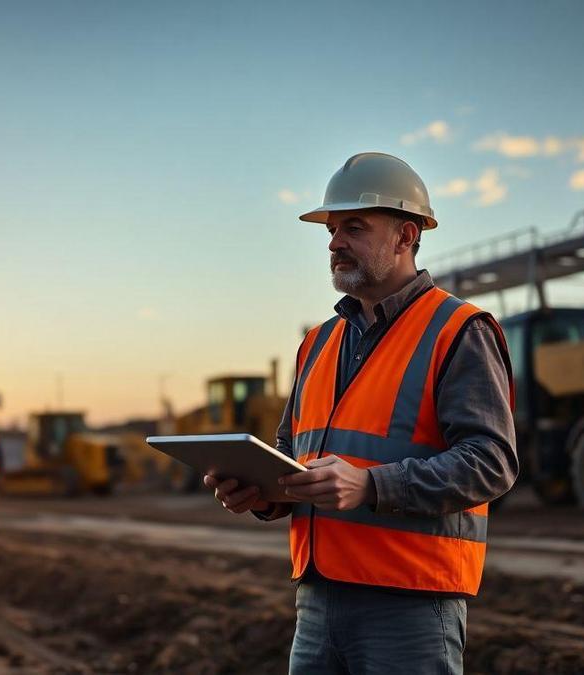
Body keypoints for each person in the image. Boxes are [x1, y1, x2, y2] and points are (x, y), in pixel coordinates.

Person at [206, 152, 516, 674]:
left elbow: (492, 463)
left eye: (353, 227)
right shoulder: (317, 343)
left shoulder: (459, 330)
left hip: (410, 604)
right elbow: (293, 455)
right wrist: (263, 494)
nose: (334, 243)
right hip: (318, 600)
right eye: (331, 230)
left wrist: (372, 485)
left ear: (406, 236)